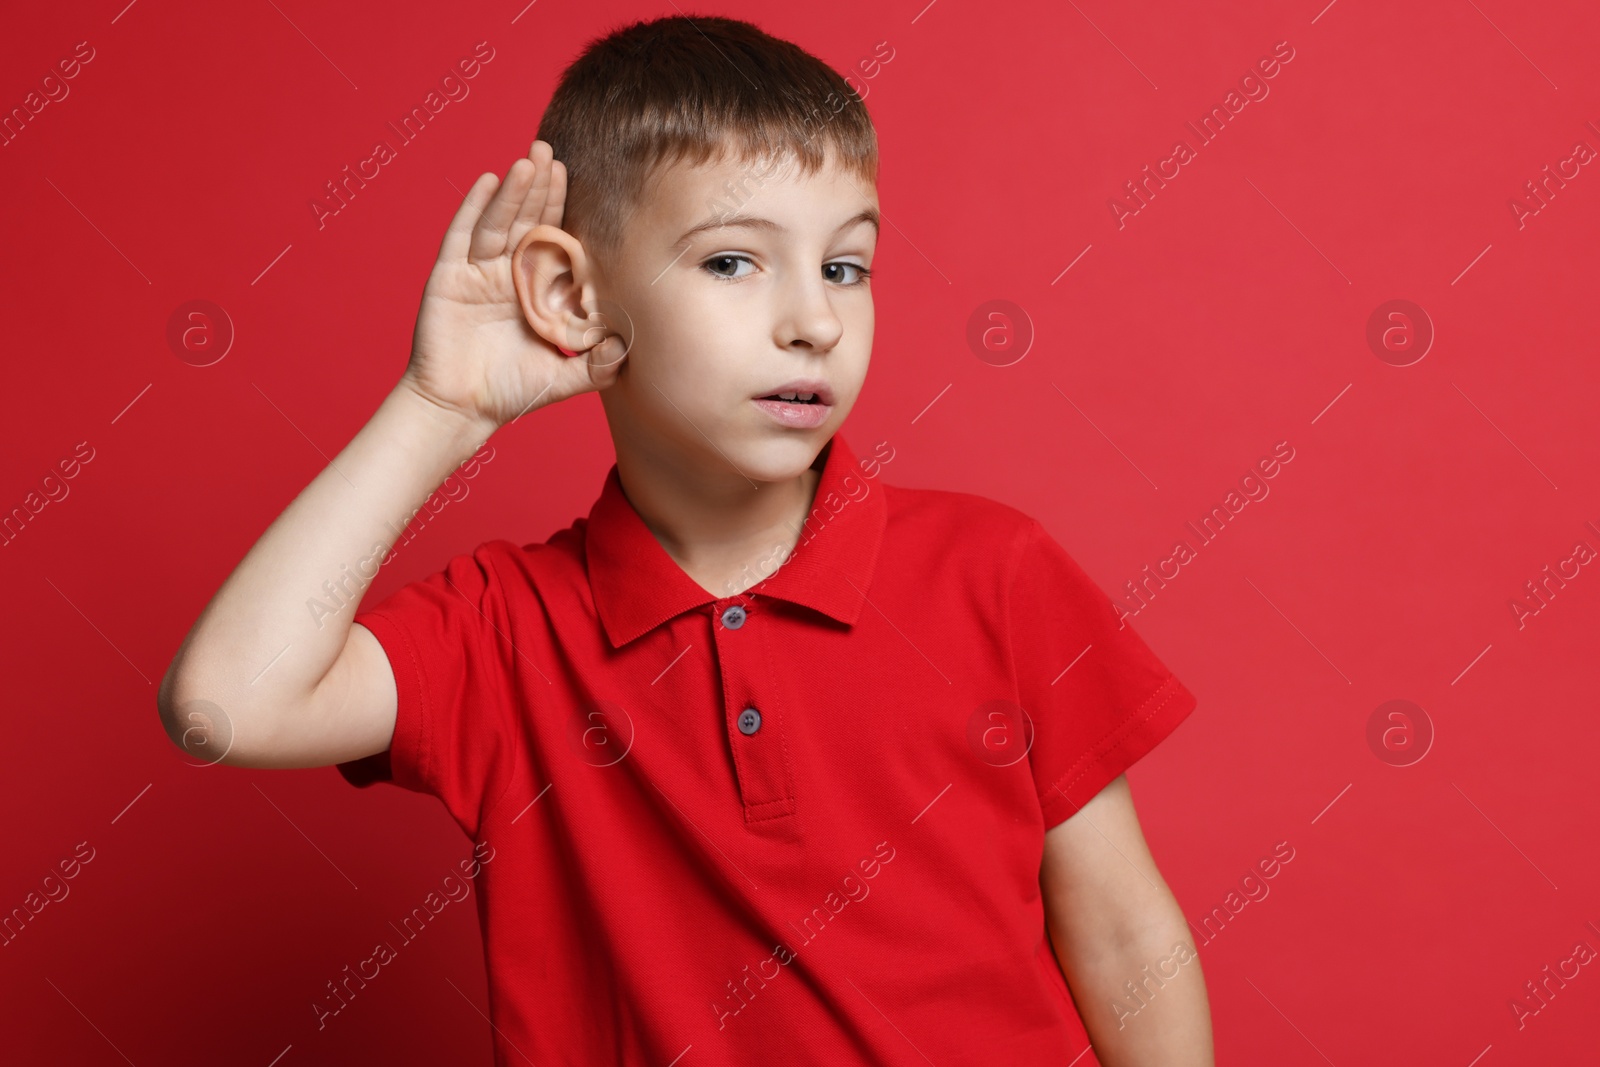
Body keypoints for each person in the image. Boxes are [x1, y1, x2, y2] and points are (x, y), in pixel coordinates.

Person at [158, 14, 1212, 1065]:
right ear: (573, 295)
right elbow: (227, 702)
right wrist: (443, 406)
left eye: (846, 266)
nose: (814, 320)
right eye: (733, 261)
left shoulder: (995, 570)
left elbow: (1124, 935)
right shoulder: (507, 632)